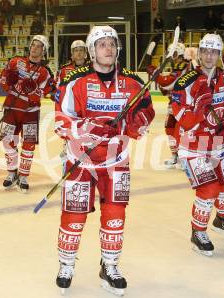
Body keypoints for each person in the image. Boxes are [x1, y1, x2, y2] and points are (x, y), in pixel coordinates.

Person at [54, 25, 155, 295]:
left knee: (115, 215)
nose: (108, 48)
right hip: (81, 159)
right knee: (73, 216)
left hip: (116, 160)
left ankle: (109, 265)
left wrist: (129, 126)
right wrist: (89, 128)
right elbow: (61, 121)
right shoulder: (75, 80)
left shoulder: (133, 81)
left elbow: (146, 112)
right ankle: (66, 264)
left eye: (112, 43)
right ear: (91, 50)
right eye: (102, 44)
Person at [170, 33, 224, 257]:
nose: (209, 56)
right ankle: (197, 231)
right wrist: (198, 109)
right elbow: (182, 117)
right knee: (209, 189)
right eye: (205, 51)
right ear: (199, 53)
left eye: (214, 52)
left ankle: (222, 219)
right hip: (193, 145)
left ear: (219, 55)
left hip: (218, 144)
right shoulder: (185, 82)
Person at [0, 35, 55, 192]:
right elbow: (2, 79)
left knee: (28, 145)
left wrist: (33, 91)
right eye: (33, 45)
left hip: (30, 111)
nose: (34, 48)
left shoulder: (45, 72)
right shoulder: (16, 62)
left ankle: (23, 176)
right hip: (11, 108)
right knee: (7, 141)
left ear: (44, 51)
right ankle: (11, 173)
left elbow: (44, 94)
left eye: (39, 46)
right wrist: (8, 82)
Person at [147, 42, 190, 169]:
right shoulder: (177, 66)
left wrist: (154, 73)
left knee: (179, 131)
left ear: (181, 54)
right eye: (171, 55)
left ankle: (184, 158)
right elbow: (166, 88)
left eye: (175, 54)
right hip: (173, 103)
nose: (173, 57)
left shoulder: (183, 66)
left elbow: (167, 82)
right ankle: (175, 156)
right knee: (169, 128)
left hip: (183, 105)